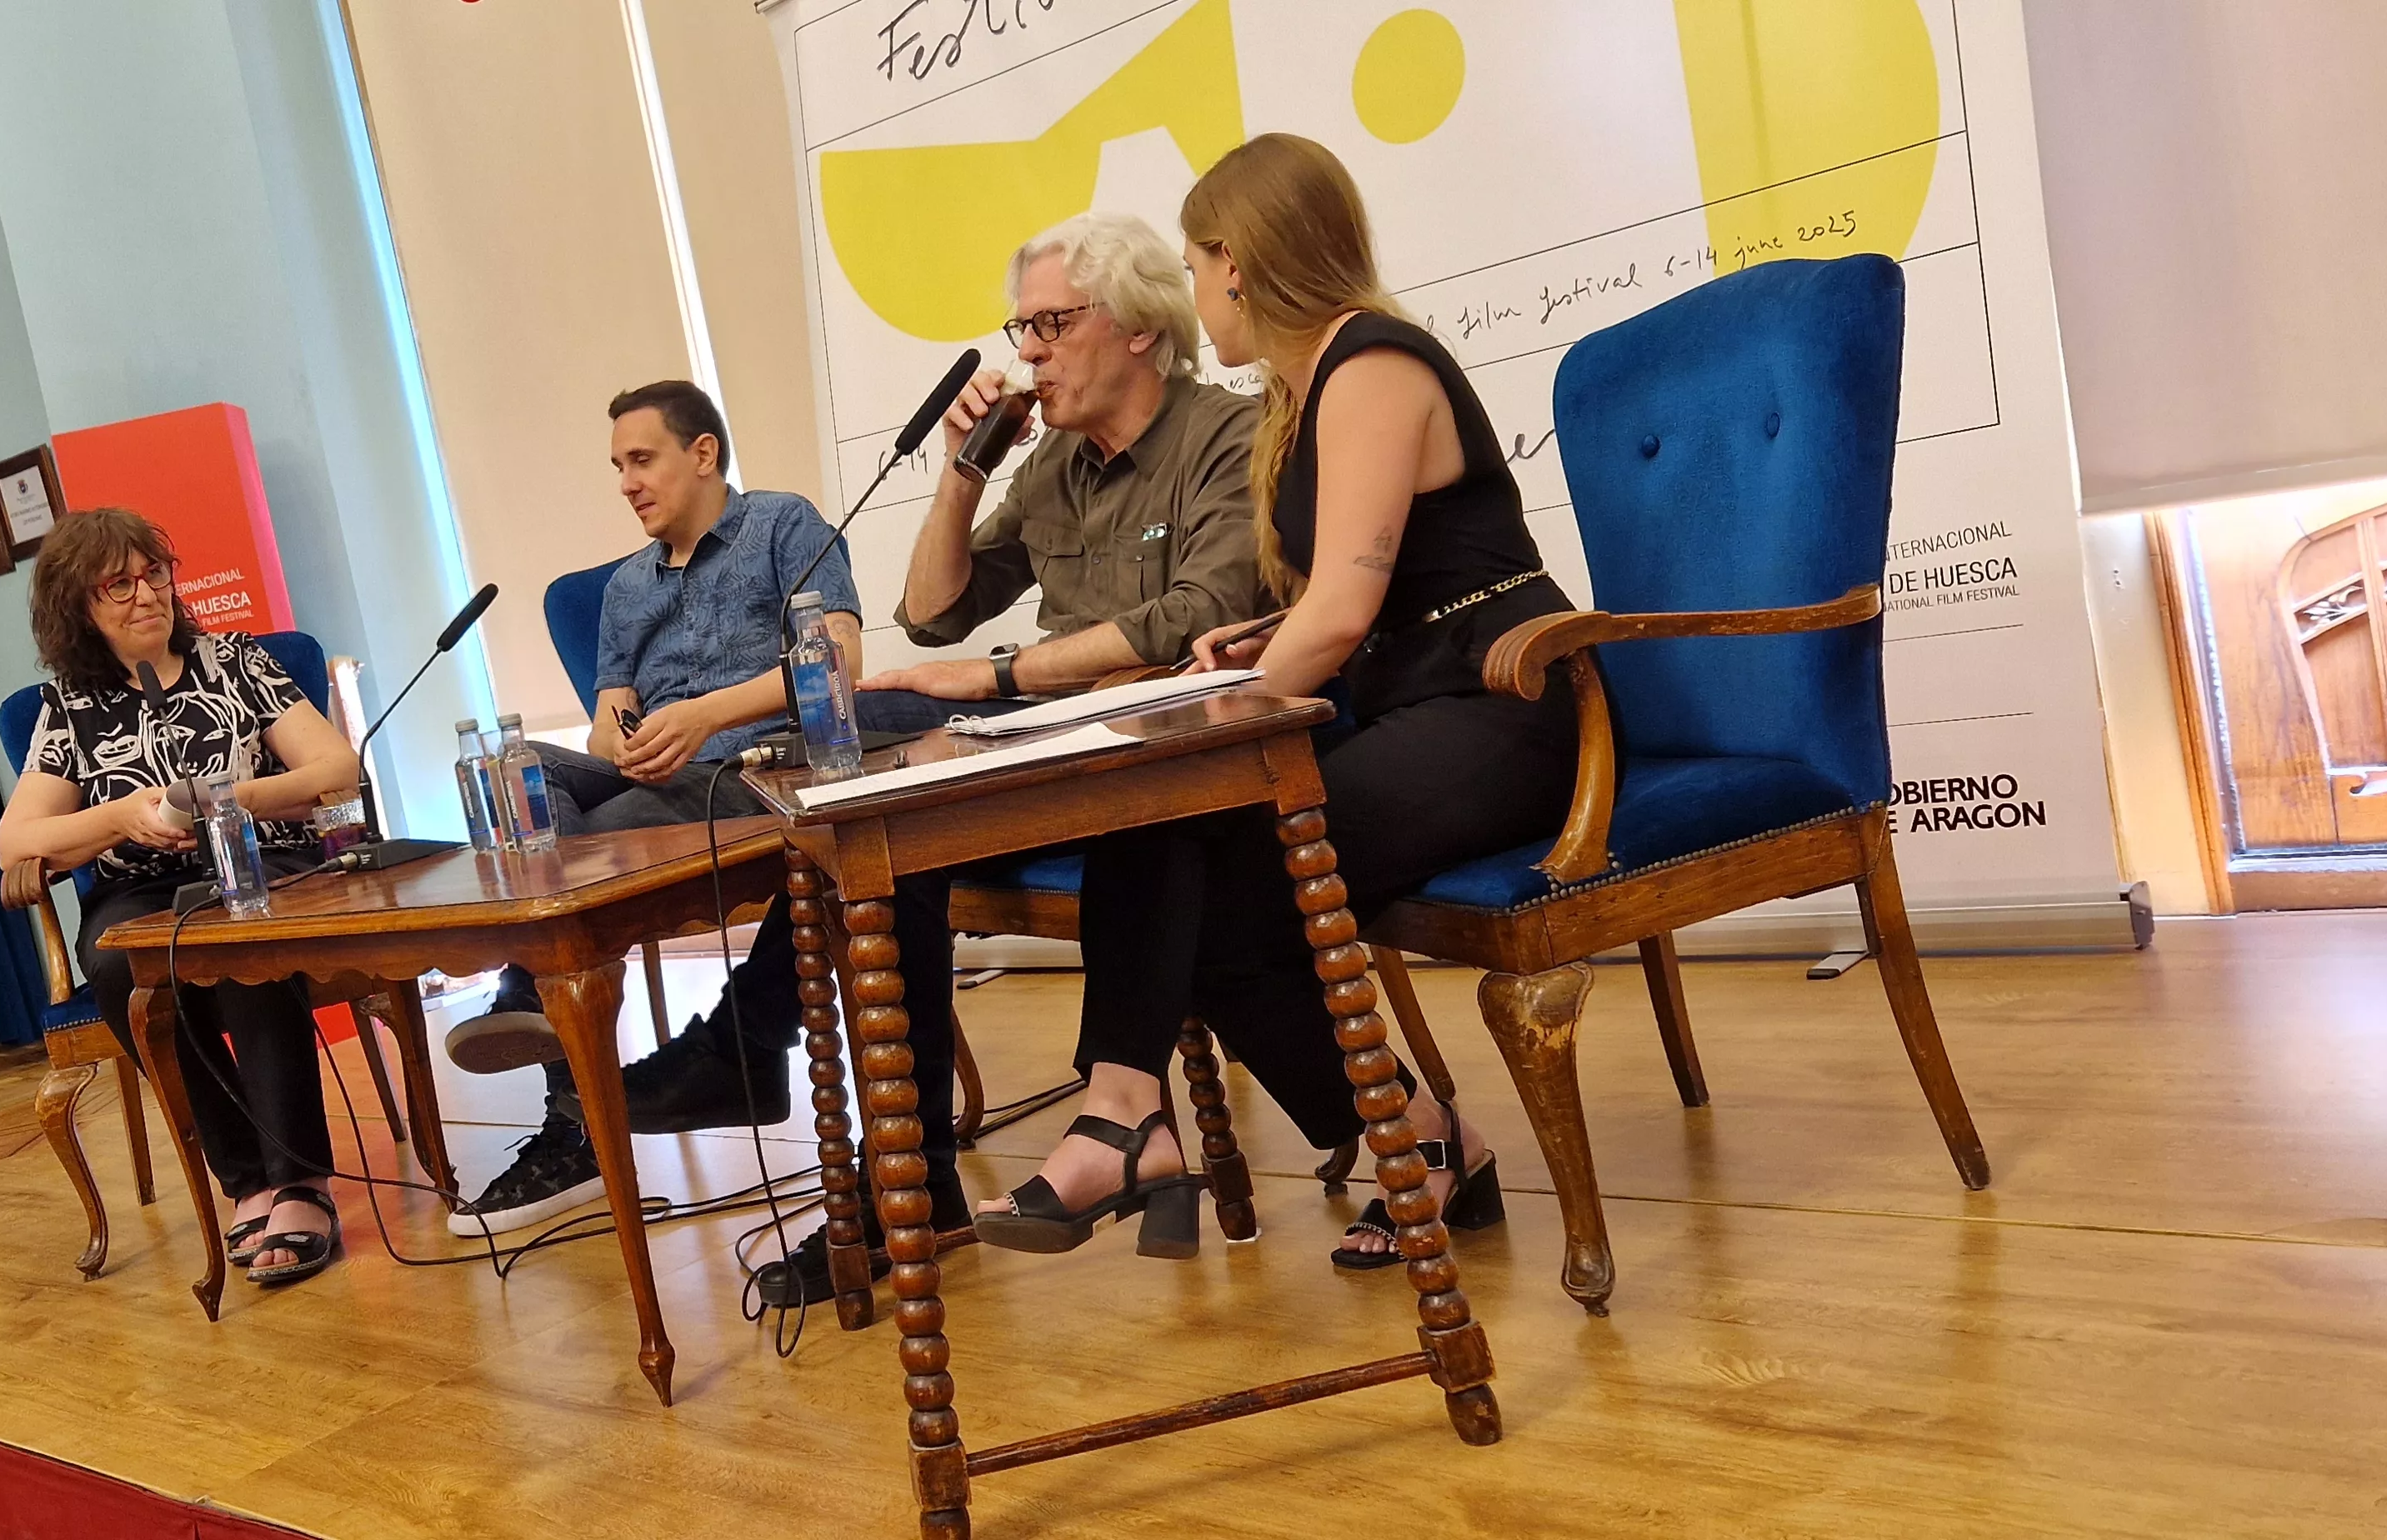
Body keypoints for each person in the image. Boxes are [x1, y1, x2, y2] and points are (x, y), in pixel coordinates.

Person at [973, 133, 1577, 1268]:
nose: (1197, 298)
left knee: (1226, 879)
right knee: (1172, 828)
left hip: (1507, 700)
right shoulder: (1302, 394)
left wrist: (1209, 713)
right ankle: (1354, 1139)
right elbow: (1361, 586)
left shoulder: (1372, 363)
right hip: (1414, 696)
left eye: (1201, 269)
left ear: (1238, 261)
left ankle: (1154, 1122)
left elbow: (1347, 613)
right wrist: (1252, 647)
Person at [438, 382, 975, 1310]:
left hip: (756, 765)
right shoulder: (624, 589)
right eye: (615, 466)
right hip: (658, 776)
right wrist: (627, 737)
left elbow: (836, 661)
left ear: (702, 453)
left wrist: (699, 717)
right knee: (519, 771)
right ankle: (541, 1000)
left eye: (639, 460)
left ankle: (544, 1018)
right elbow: (609, 725)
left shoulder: (780, 524)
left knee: (587, 851)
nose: (625, 483)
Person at [0, 508, 366, 1288]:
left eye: (154, 575)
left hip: (258, 862)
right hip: (140, 887)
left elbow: (338, 770)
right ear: (80, 608)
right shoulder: (69, 706)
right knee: (116, 962)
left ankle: (300, 1181)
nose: (146, 595)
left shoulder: (233, 661)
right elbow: (15, 841)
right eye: (119, 585)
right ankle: (249, 1181)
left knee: (237, 936)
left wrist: (231, 797)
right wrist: (126, 814)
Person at [860, 211, 1264, 712]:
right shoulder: (1057, 457)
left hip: (1170, 716)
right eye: (1022, 328)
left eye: (1052, 324)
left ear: (1140, 327)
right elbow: (932, 617)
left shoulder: (1233, 434)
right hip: (1056, 715)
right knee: (875, 710)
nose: (1029, 351)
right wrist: (960, 467)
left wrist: (1000, 674)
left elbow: (1201, 614)